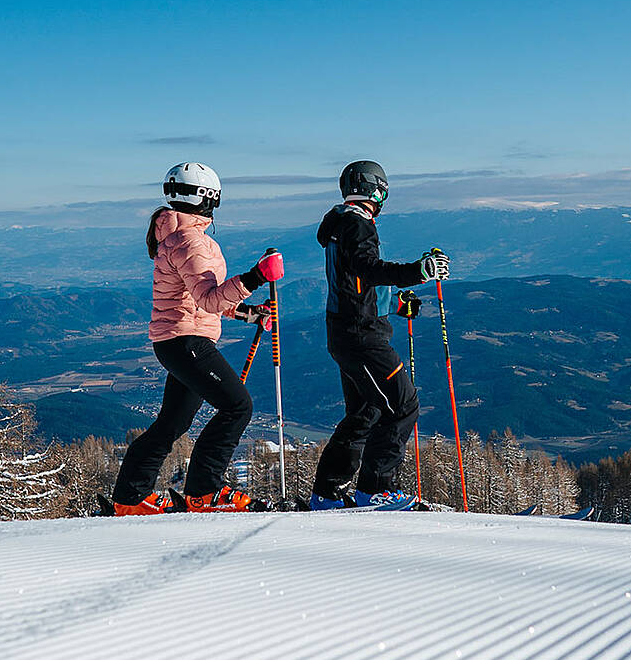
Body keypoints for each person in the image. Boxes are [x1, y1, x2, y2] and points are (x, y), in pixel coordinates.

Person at [109, 162, 284, 515]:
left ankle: (130, 498)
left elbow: (199, 299)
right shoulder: (191, 241)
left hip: (175, 340)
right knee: (237, 406)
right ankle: (204, 491)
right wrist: (255, 277)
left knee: (174, 422)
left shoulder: (175, 237)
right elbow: (207, 299)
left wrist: (248, 313)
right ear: (207, 199)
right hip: (186, 342)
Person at [309, 160, 449, 509]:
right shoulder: (358, 225)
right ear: (377, 189)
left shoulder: (341, 224)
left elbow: (355, 281)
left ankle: (327, 492)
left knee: (365, 412)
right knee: (403, 405)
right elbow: (367, 268)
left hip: (345, 331)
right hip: (361, 335)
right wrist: (418, 271)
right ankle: (375, 489)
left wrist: (397, 304)